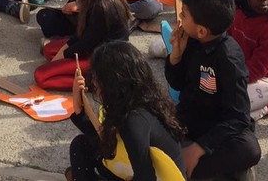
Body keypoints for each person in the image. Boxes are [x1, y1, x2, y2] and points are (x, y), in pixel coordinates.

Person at [165, 0, 261, 179]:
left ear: (202, 30)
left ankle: (191, 169)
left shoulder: (228, 58)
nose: (180, 19)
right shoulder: (192, 40)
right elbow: (177, 84)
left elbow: (238, 118)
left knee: (249, 149)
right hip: (189, 118)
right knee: (148, 123)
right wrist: (176, 56)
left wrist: (199, 149)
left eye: (184, 15)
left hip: (219, 126)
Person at [69, 40, 186, 181]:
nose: (94, 83)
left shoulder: (134, 120)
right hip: (133, 170)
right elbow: (108, 143)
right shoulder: (134, 104)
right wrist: (78, 105)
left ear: (111, 83)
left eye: (97, 78)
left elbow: (145, 177)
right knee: (81, 146)